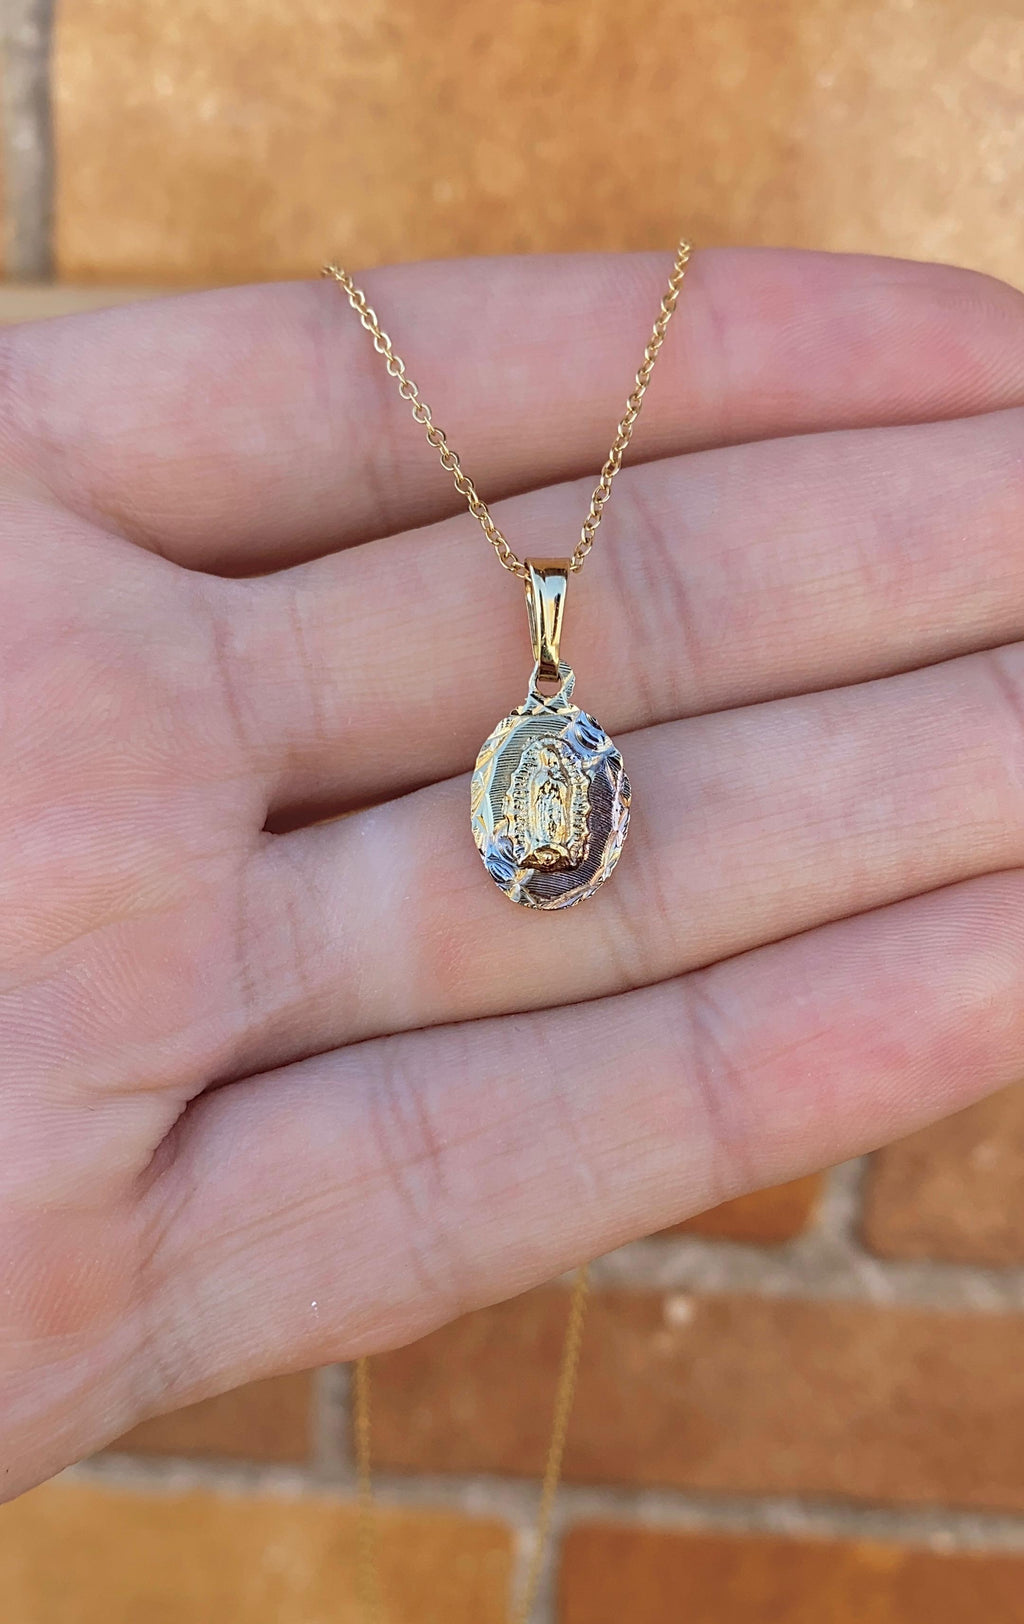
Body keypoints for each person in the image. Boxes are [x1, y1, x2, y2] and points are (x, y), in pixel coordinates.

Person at [4, 245, 1024, 1502]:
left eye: (546, 791)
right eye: (540, 793)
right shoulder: (533, 761)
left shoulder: (567, 753)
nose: (543, 794)